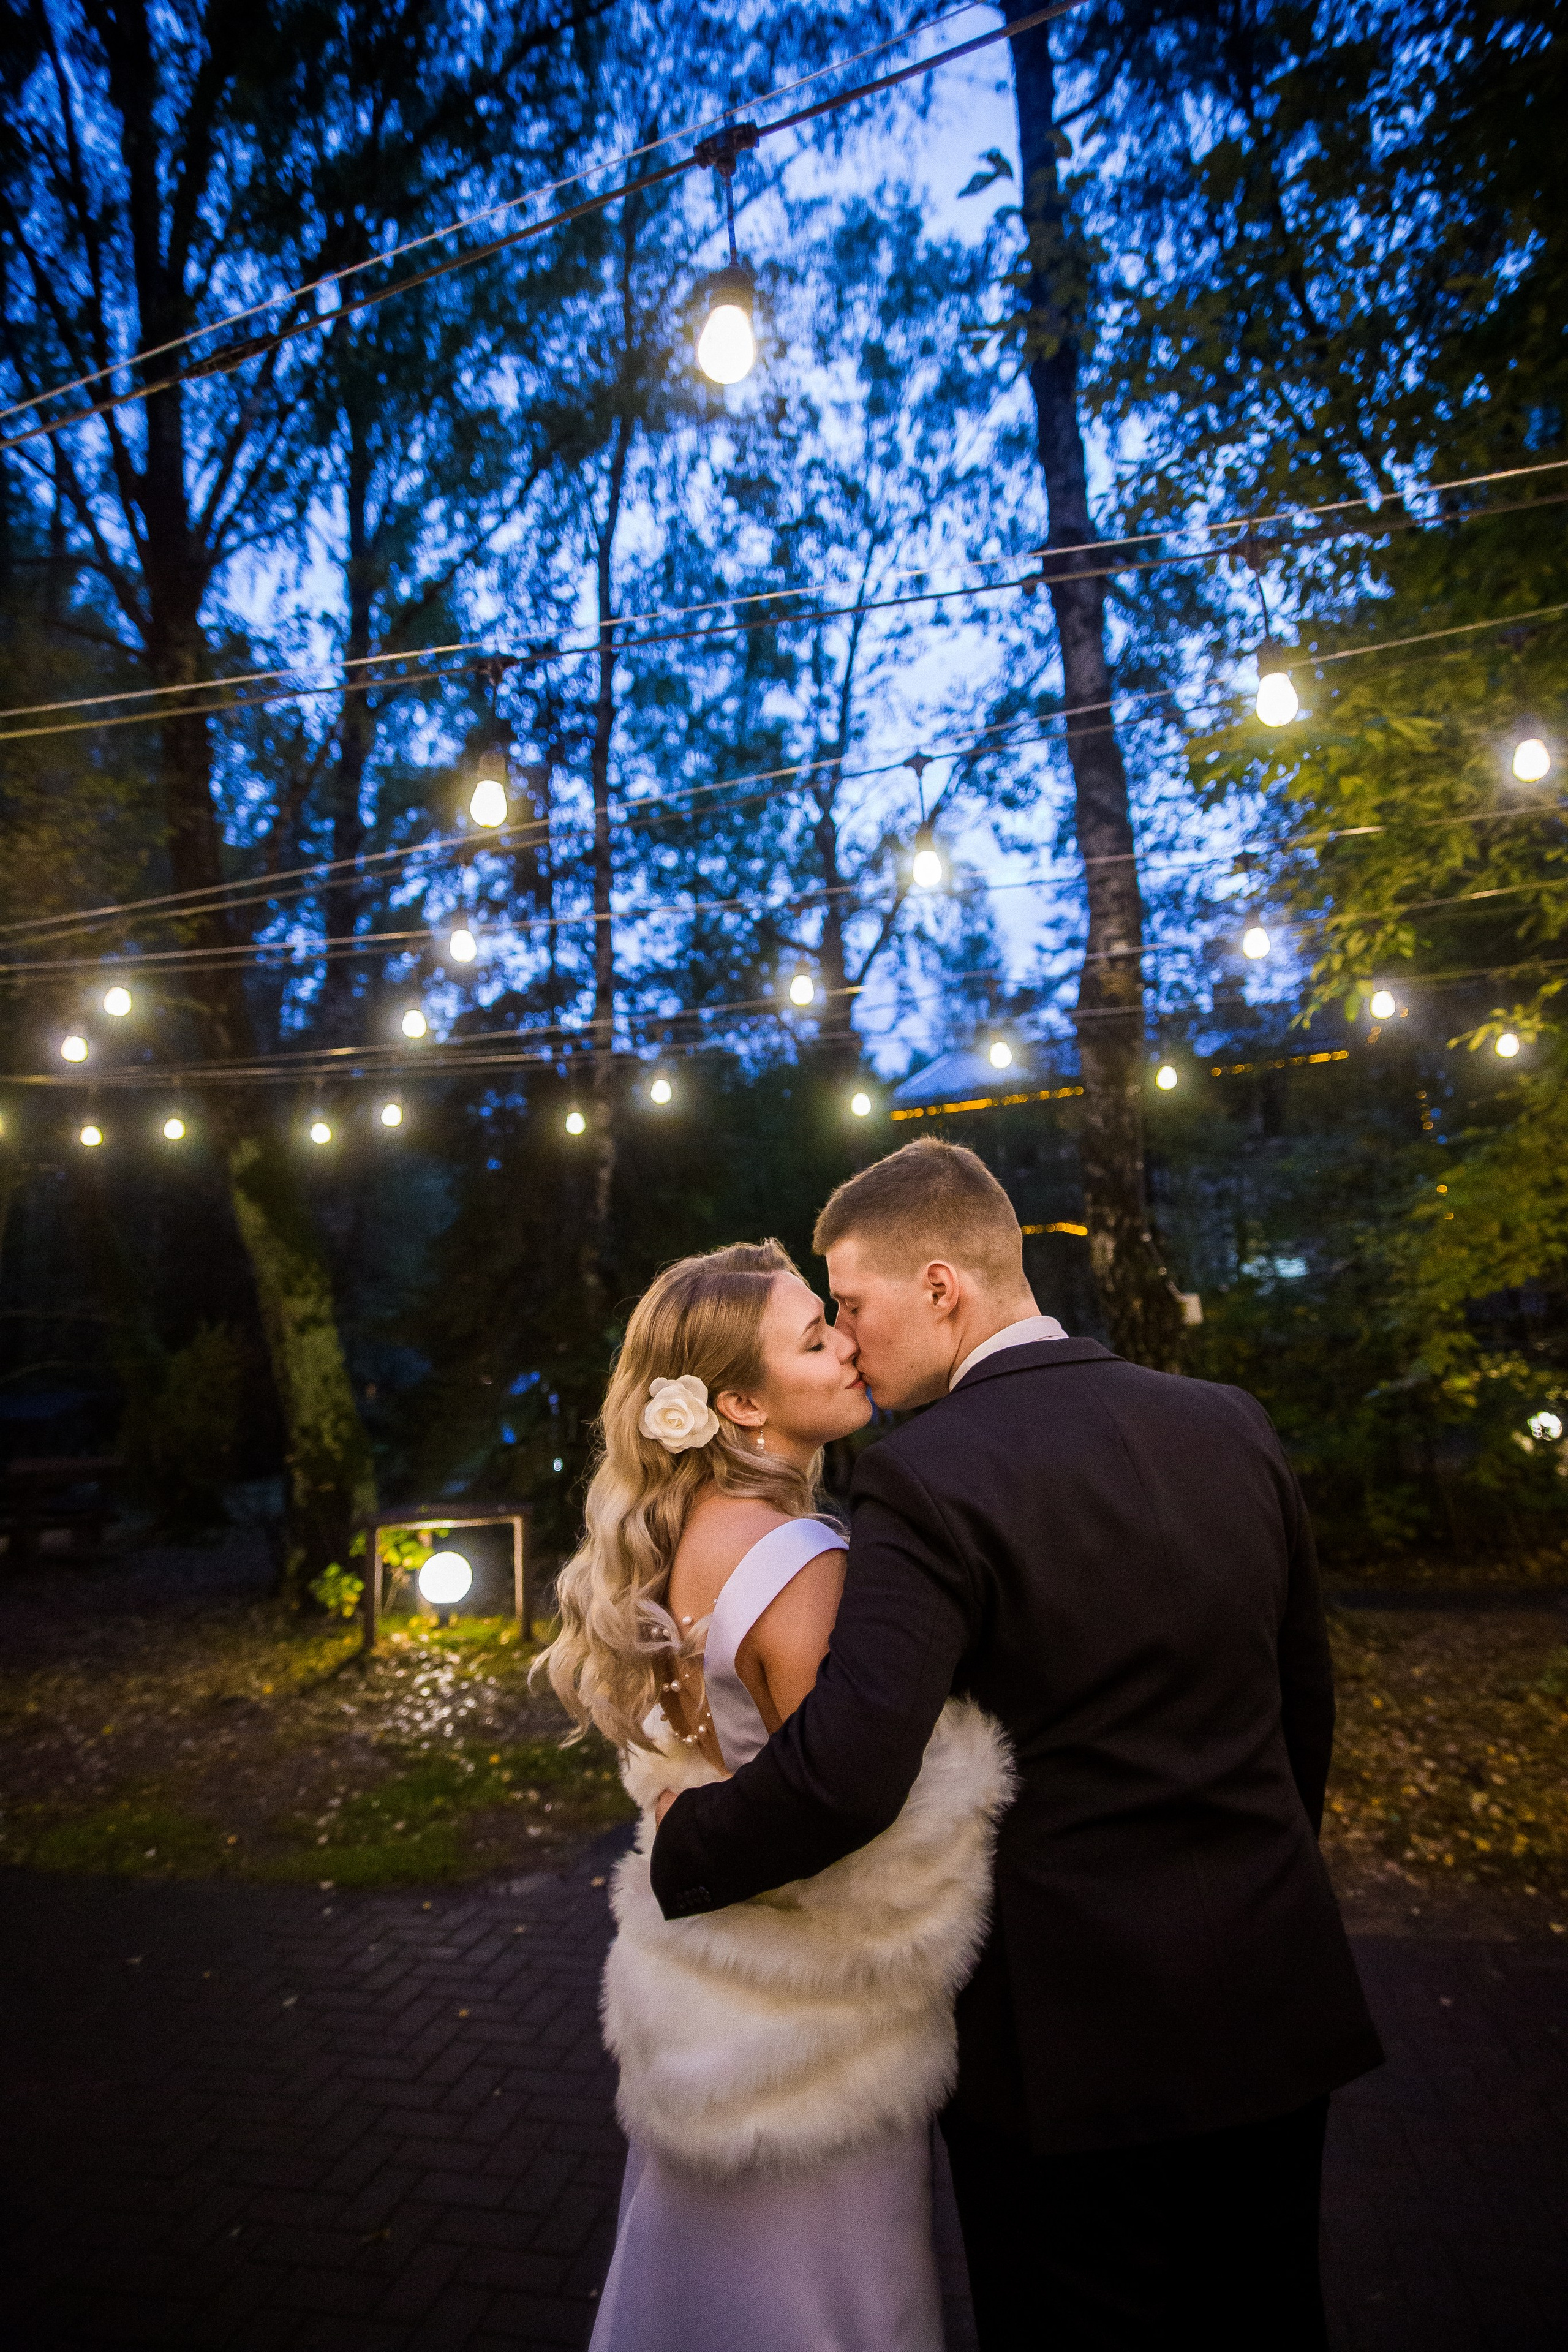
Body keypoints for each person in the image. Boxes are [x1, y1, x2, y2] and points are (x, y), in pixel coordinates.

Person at [651, 1139, 1384, 2351]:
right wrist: (1251, 1884)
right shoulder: (1227, 1423)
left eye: (854, 1304)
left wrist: (687, 1844)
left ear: (940, 1286)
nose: (848, 1338)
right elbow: (1300, 1710)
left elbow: (846, 1769)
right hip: (1270, 1994)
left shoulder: (926, 1475)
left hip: (1066, 2045)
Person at [537, 1239, 1014, 2352]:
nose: (849, 1343)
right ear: (742, 1401)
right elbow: (847, 1813)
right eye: (815, 1337)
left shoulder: (682, 1538)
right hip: (816, 2051)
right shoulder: (800, 1557)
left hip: (710, 2016)